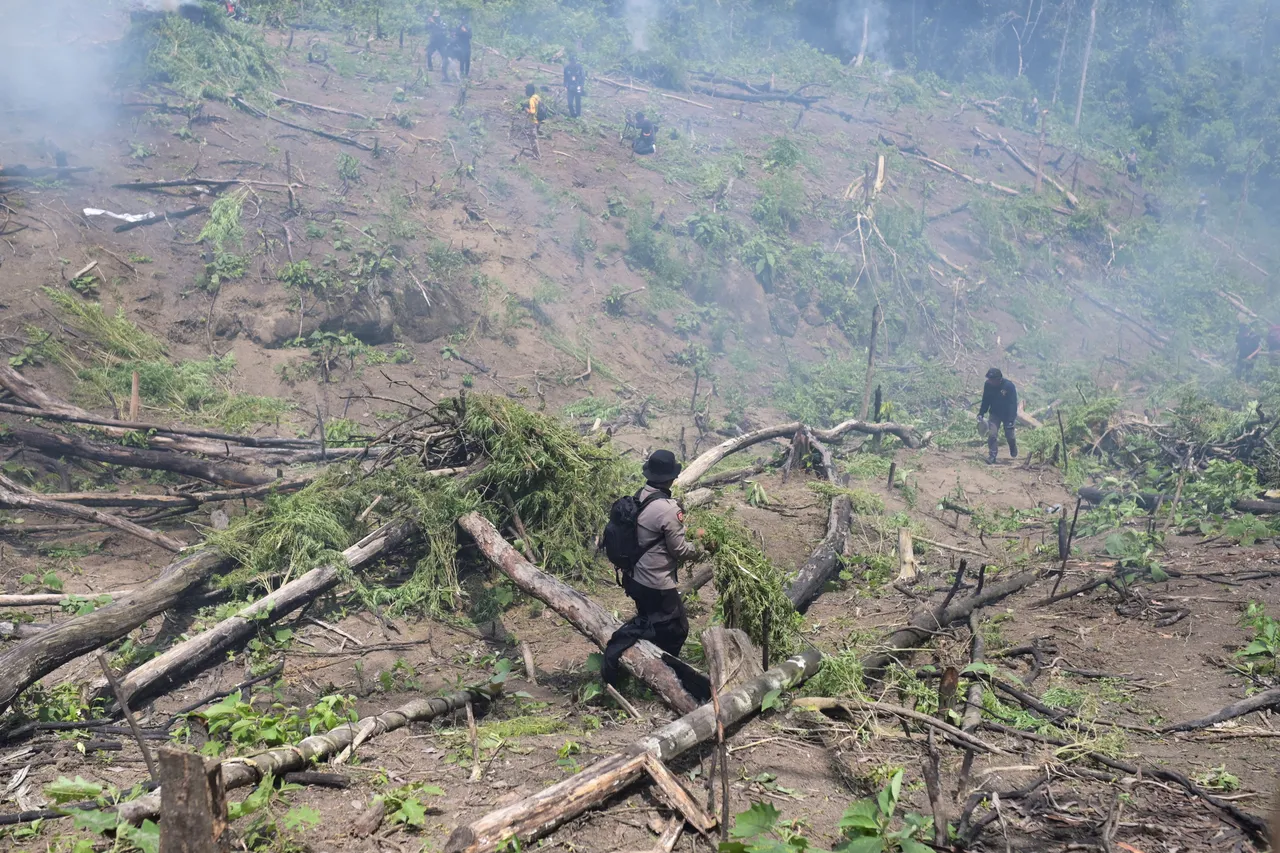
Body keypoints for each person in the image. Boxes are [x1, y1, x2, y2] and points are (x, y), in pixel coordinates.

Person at [602, 450, 710, 687]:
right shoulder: (669, 508)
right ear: (671, 478)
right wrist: (704, 547)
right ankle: (659, 676)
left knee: (653, 620)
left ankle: (640, 665)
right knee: (677, 629)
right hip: (655, 582)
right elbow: (680, 550)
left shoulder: (641, 495)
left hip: (634, 577)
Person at [977, 367, 1018, 465]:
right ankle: (992, 456)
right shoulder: (988, 385)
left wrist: (1011, 420)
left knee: (1010, 436)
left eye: (992, 380)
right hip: (994, 413)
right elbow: (985, 400)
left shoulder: (1009, 386)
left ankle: (1012, 446)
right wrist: (981, 413)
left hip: (1007, 415)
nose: (990, 381)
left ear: (998, 379)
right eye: (989, 379)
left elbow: (1013, 404)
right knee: (992, 434)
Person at [425, 10, 449, 74]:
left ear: (439, 17)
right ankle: (430, 67)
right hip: (433, 42)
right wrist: (428, 22)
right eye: (434, 17)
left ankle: (444, 69)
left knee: (444, 56)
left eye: (437, 17)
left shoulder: (442, 22)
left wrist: (434, 23)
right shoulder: (432, 23)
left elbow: (442, 29)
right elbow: (426, 28)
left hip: (441, 42)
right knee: (428, 54)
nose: (435, 18)